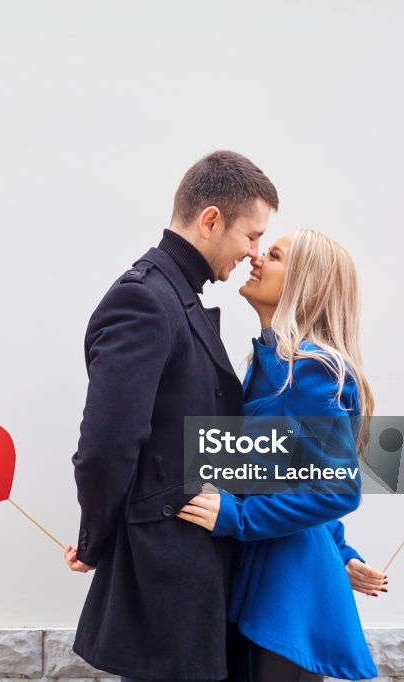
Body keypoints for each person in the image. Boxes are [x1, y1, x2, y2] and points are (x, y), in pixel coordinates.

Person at [64, 150, 278, 682]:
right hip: (165, 577)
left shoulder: (176, 296)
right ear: (210, 220)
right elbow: (106, 446)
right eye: (251, 236)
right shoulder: (143, 300)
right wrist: (94, 540)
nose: (253, 253)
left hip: (194, 573)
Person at [176, 229, 387, 681]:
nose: (255, 258)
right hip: (258, 583)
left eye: (273, 255)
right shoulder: (266, 365)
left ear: (303, 283)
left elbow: (336, 488)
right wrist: (340, 548)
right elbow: (296, 474)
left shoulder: (311, 370)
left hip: (285, 600)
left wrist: (236, 516)